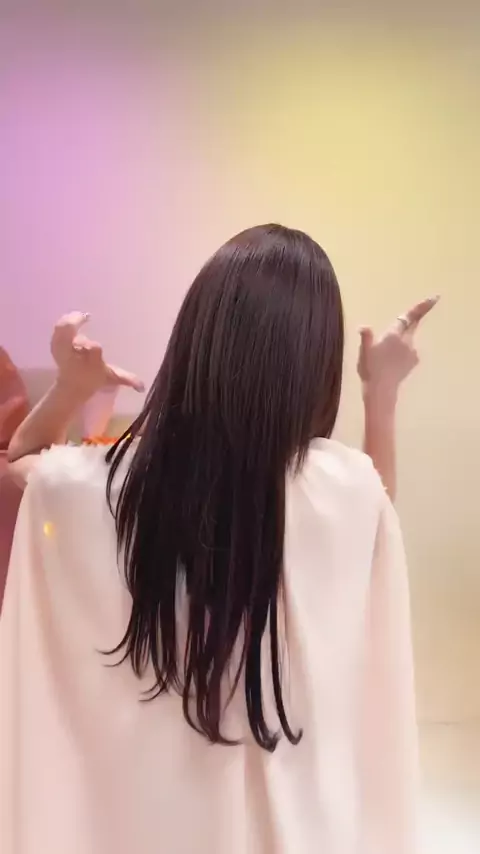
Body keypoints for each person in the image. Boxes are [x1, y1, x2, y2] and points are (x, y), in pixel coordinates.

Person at [0, 224, 437, 854]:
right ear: (312, 363)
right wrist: (382, 391)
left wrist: (72, 387)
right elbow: (376, 516)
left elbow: (22, 464)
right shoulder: (335, 488)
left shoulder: (110, 485)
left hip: (143, 826)